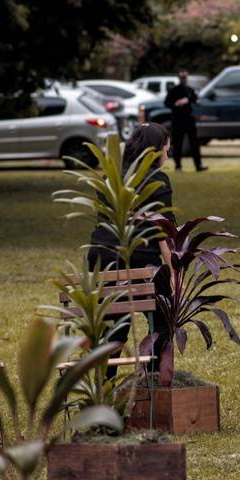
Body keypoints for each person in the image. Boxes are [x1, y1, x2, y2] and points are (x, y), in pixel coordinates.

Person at [88, 122, 175, 376]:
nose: (167, 157)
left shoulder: (110, 176)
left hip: (100, 259)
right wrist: (174, 274)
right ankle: (154, 382)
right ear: (154, 151)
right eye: (165, 151)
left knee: (115, 325)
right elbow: (165, 231)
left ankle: (104, 387)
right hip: (139, 261)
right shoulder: (157, 179)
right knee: (163, 322)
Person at [164, 69, 208, 172]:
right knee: (178, 143)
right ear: (179, 78)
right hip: (178, 120)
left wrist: (197, 102)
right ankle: (178, 166)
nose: (184, 79)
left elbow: (195, 100)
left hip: (189, 119)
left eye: (185, 77)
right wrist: (176, 104)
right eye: (182, 77)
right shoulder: (173, 91)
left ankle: (198, 165)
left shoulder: (189, 90)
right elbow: (166, 103)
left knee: (194, 143)